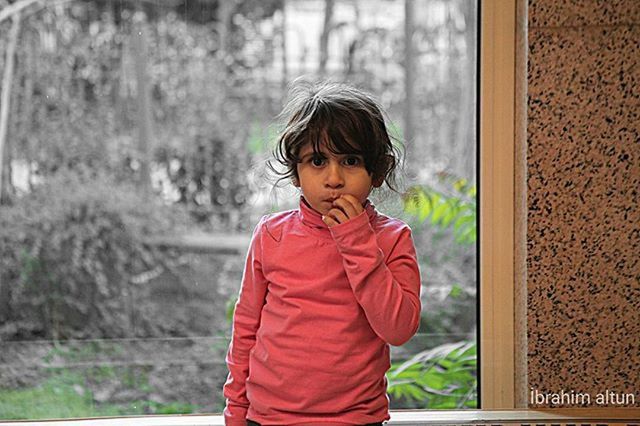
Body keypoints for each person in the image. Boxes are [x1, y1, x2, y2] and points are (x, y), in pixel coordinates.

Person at [223, 80, 422, 426]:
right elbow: (245, 332)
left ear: (377, 171)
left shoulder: (392, 239)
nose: (333, 178)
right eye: (317, 160)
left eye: (350, 160)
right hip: (269, 418)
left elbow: (399, 328)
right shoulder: (271, 235)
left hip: (357, 419)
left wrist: (357, 240)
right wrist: (236, 412)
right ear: (296, 173)